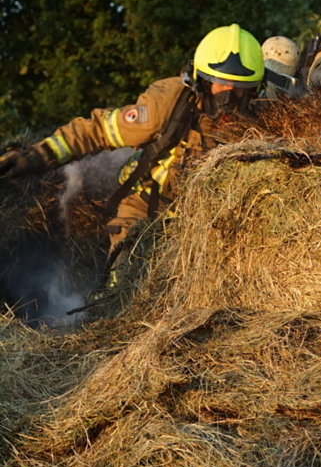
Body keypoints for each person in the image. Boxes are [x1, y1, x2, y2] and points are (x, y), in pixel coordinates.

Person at [0, 24, 264, 283]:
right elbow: (96, 130)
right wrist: (37, 155)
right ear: (201, 81)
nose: (230, 96)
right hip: (147, 208)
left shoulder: (262, 122)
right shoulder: (166, 106)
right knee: (127, 280)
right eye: (221, 84)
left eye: (240, 87)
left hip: (208, 222)